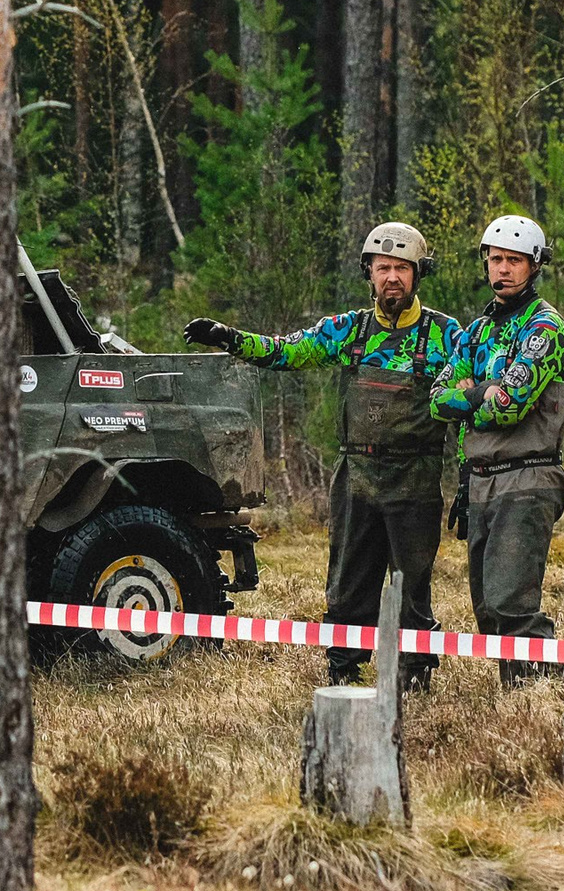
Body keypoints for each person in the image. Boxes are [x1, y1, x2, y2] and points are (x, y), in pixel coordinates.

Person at [185, 225, 460, 687]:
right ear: (369, 273)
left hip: (415, 475)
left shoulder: (446, 335)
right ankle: (344, 670)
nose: (392, 277)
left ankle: (414, 673)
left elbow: (468, 401)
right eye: (383, 268)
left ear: (419, 274)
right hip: (356, 475)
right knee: (348, 578)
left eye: (402, 268)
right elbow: (286, 351)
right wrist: (230, 337)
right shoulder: (349, 330)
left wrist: (469, 477)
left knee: (413, 583)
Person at [430, 215, 564, 685]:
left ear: (535, 265)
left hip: (528, 474)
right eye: (496, 259)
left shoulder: (545, 328)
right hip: (481, 478)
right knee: (487, 608)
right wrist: (480, 393)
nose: (503, 269)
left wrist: (473, 395)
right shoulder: (476, 331)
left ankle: (540, 696)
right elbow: (437, 400)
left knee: (512, 602)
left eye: (514, 260)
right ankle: (516, 701)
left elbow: (509, 407)